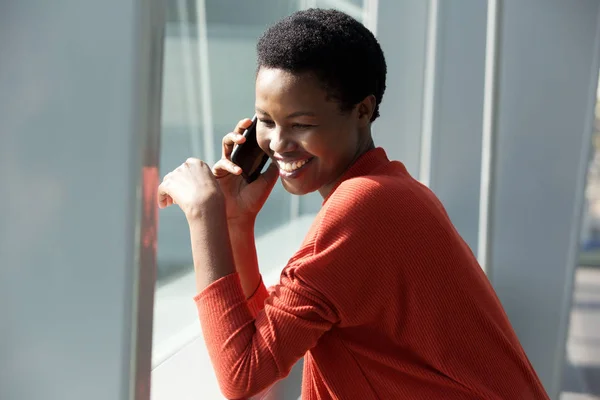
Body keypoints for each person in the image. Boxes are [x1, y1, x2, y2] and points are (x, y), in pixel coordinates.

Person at [157, 8, 550, 400]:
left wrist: (203, 214)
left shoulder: (365, 208)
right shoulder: (390, 191)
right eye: (266, 120)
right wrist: (235, 222)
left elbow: (241, 374)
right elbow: (267, 334)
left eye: (301, 124)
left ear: (362, 111)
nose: (278, 143)